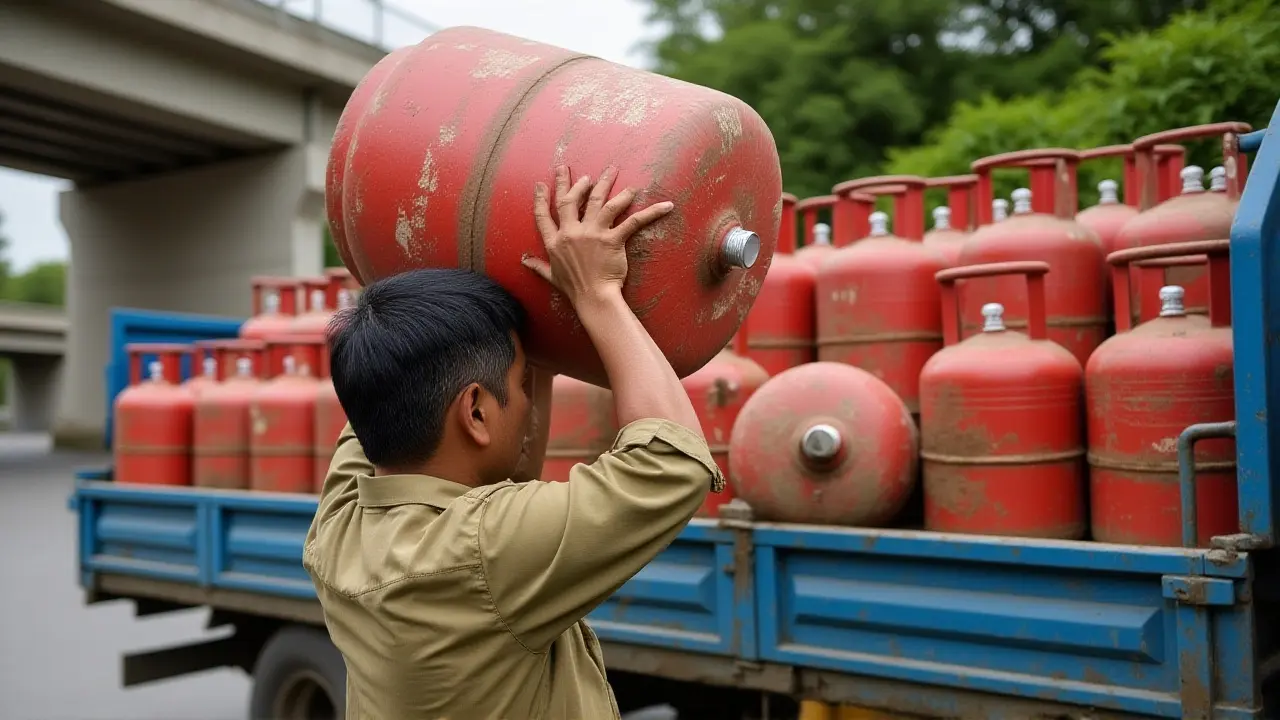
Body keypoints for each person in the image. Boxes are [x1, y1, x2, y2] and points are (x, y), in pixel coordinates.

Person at [302, 164, 725, 719]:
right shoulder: (482, 553)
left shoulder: (339, 527)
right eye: (522, 383)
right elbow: (673, 463)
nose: (528, 400)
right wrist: (597, 295)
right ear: (475, 411)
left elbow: (392, 379)